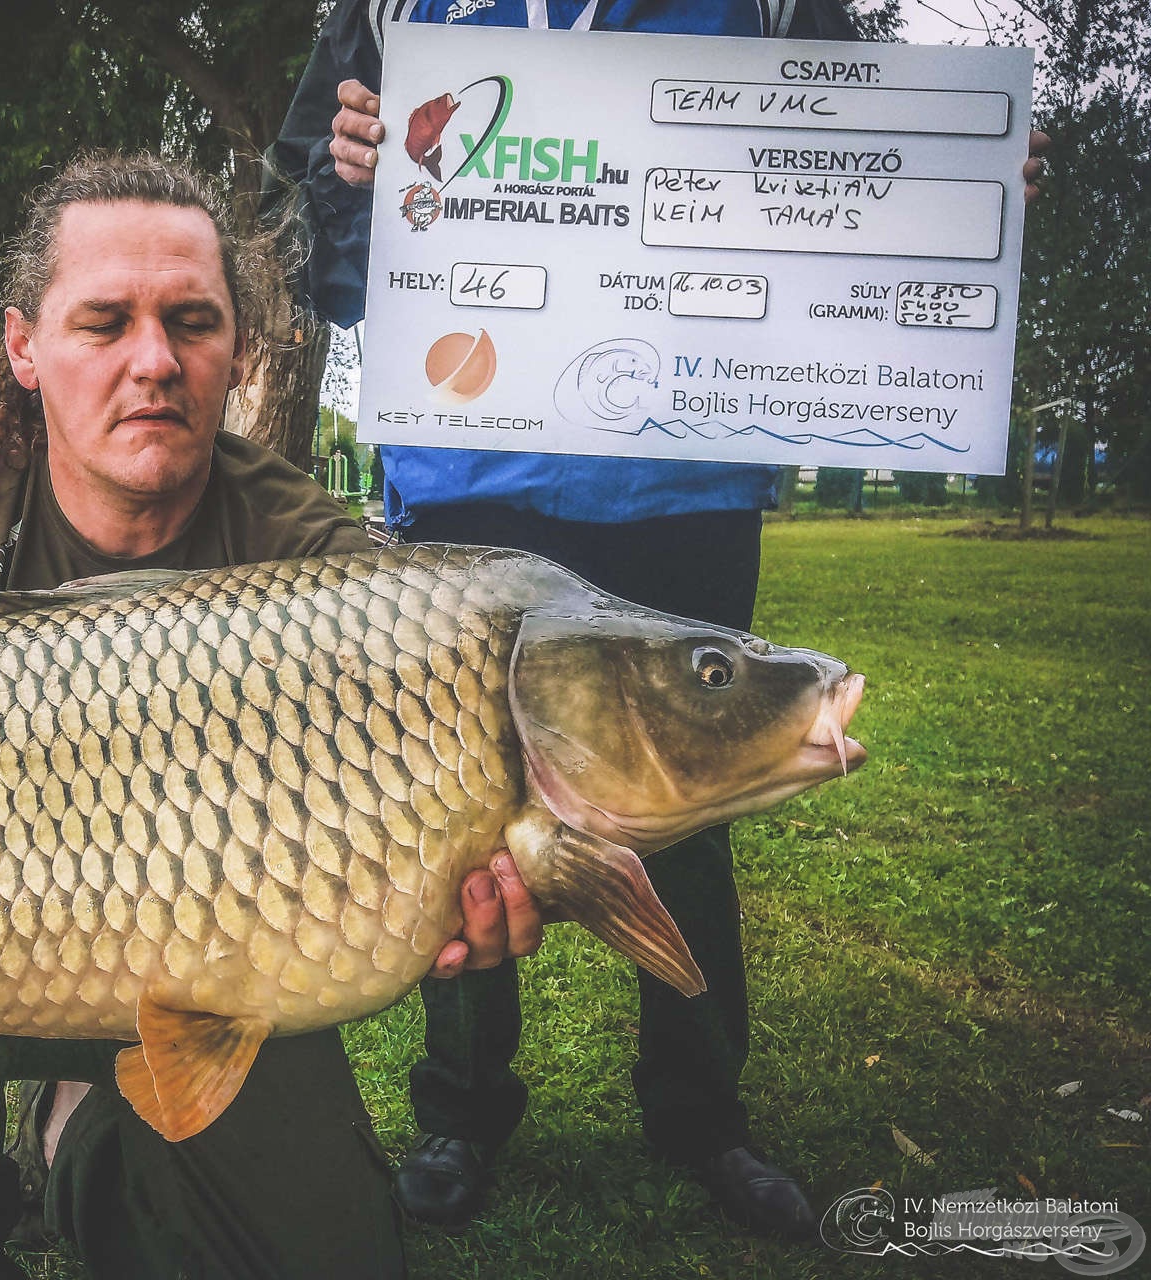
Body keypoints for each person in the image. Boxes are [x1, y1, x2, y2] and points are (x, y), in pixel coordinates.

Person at [0, 151, 547, 1279]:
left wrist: (465, 884)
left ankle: (77, 1133)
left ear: (239, 349)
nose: (155, 361)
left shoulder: (321, 562)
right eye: (104, 322)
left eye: (193, 320)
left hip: (227, 961)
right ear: (25, 346)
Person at [271, 0, 1049, 1243]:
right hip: (467, 482)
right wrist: (347, 177)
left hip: (678, 482)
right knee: (459, 811)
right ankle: (462, 1110)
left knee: (694, 795)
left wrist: (964, 176)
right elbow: (332, 273)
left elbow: (861, 178)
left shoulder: (767, 8)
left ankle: (702, 1116)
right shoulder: (385, 10)